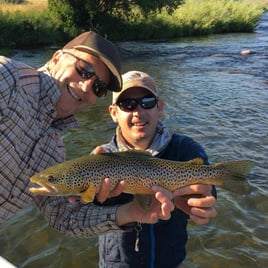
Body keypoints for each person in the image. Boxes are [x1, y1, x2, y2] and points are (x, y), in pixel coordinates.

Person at [0, 32, 174, 237]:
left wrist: (131, 212)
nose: (85, 86)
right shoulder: (9, 79)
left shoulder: (54, 150)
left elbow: (63, 217)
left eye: (98, 87)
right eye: (84, 70)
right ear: (57, 58)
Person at [92, 70, 217, 268]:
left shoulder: (185, 150)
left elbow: (209, 191)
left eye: (147, 102)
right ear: (114, 113)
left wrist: (202, 203)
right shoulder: (100, 159)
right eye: (127, 104)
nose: (138, 112)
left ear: (159, 107)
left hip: (170, 261)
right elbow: (82, 217)